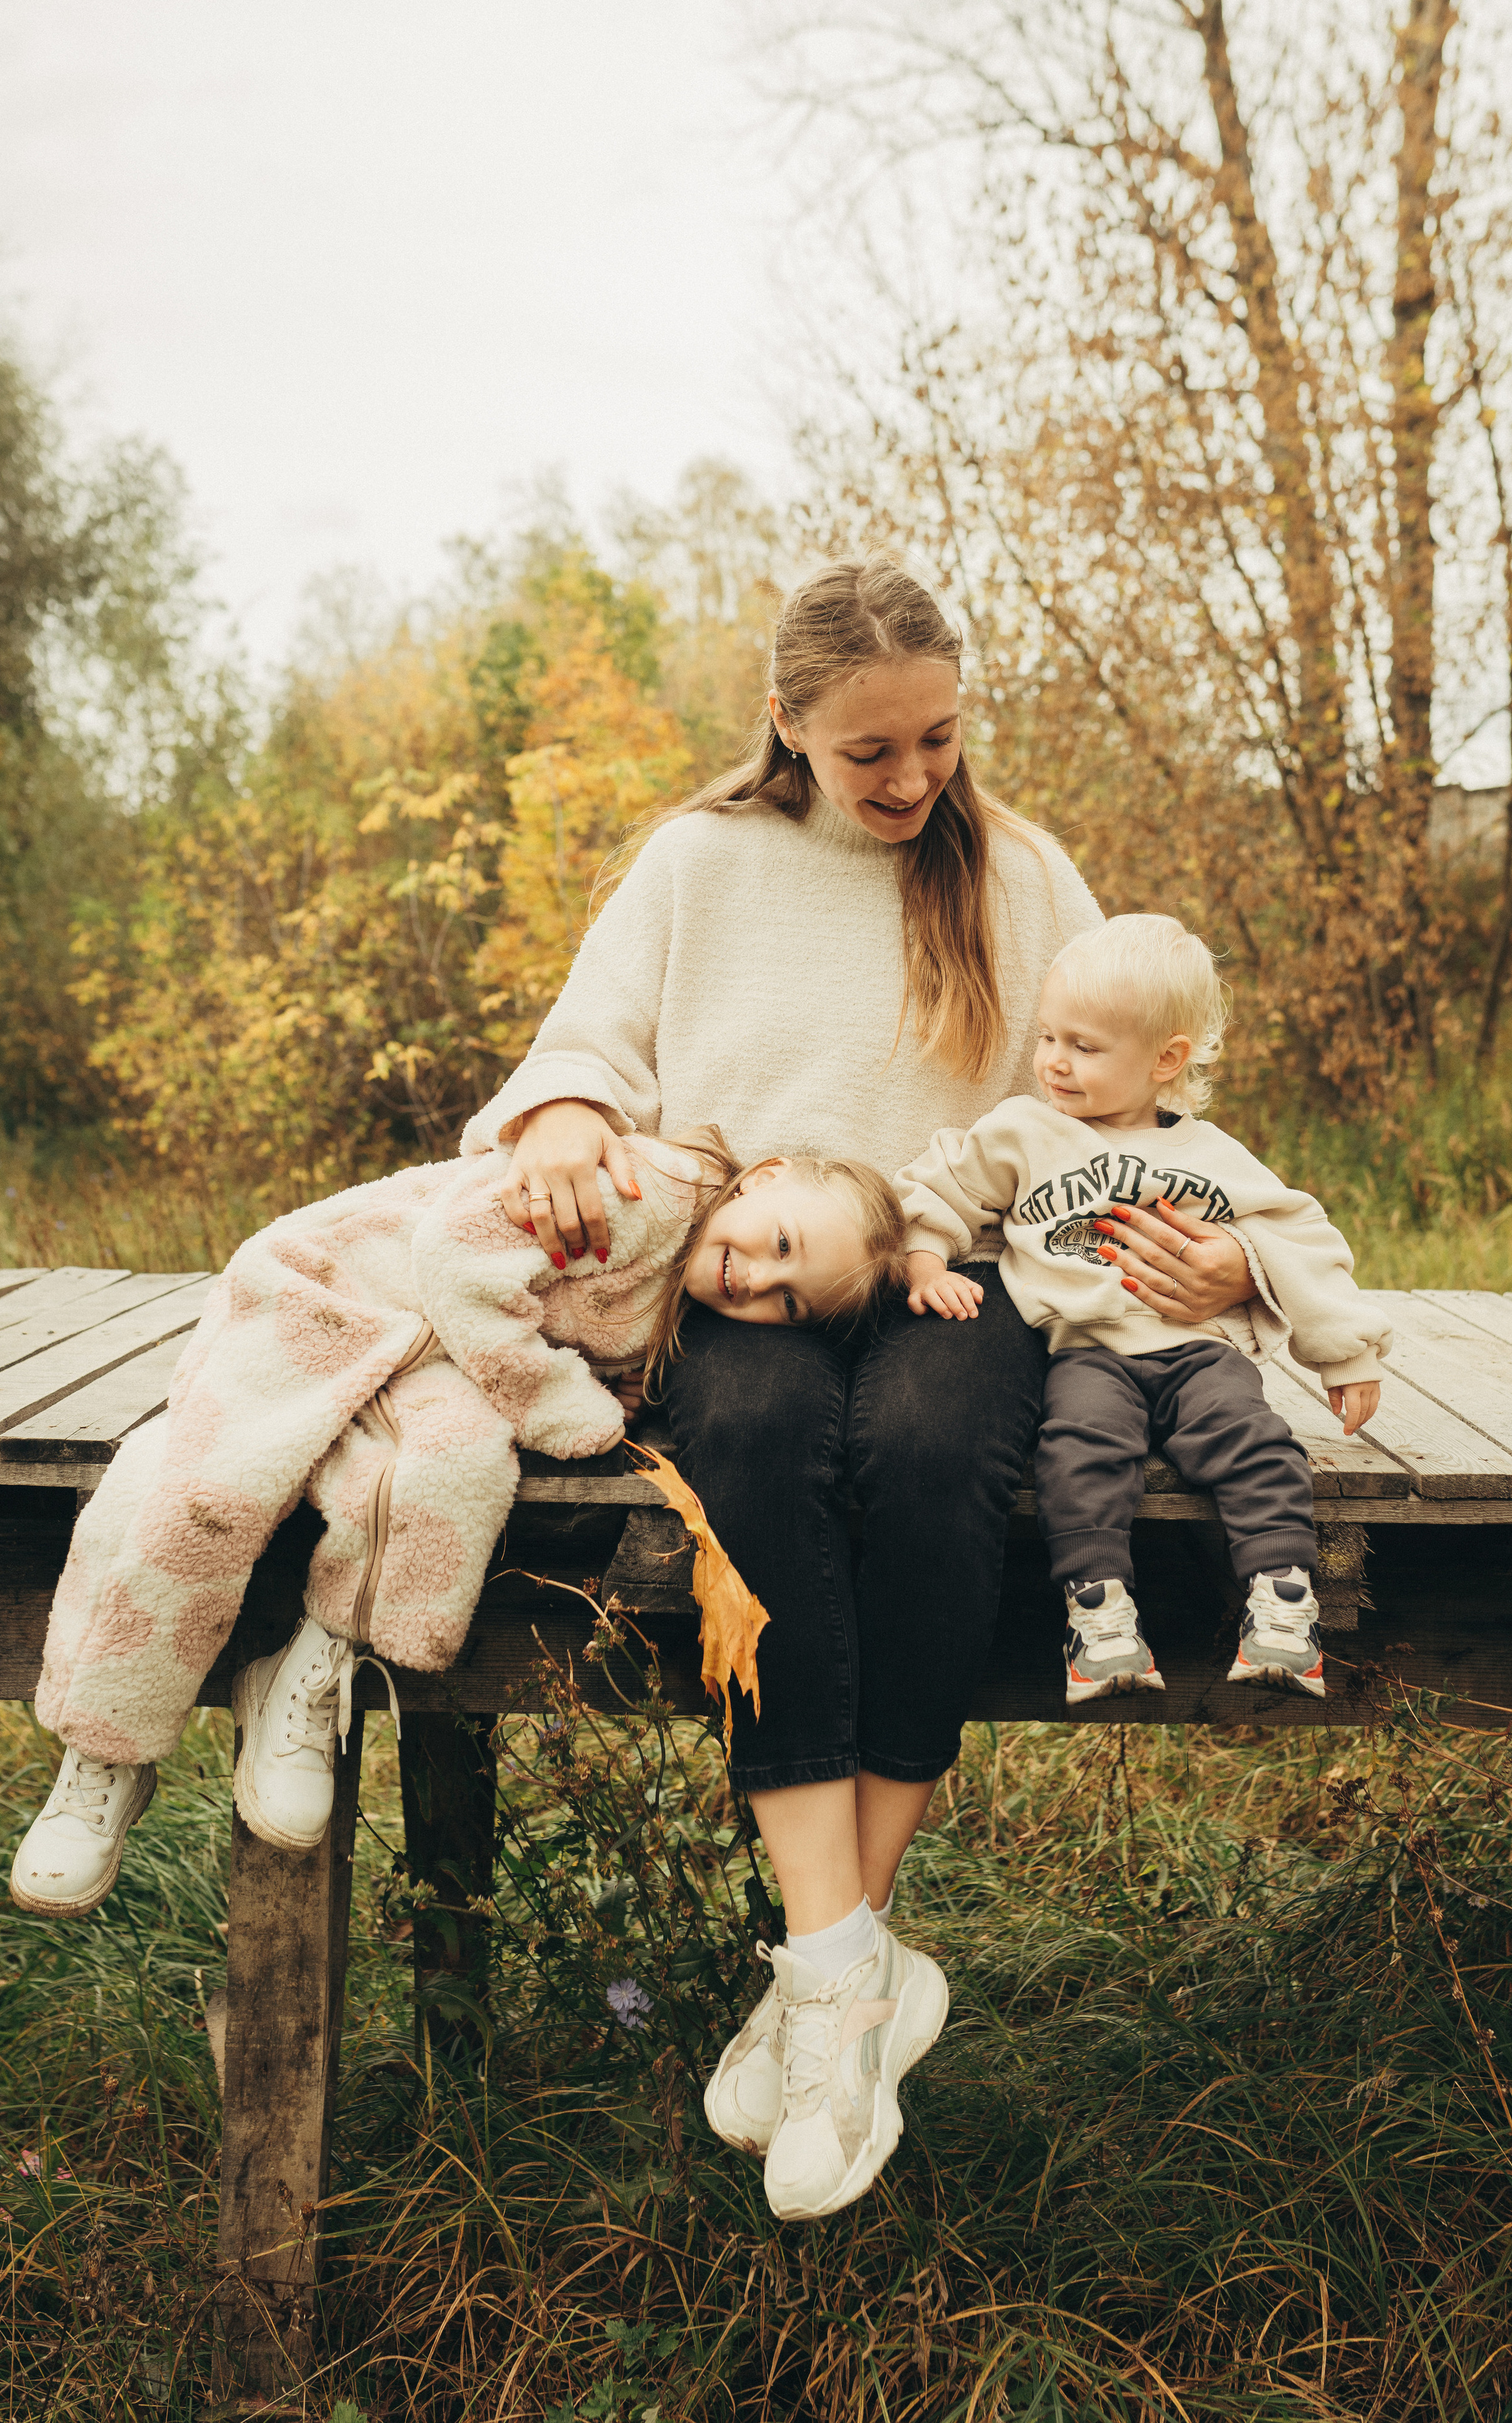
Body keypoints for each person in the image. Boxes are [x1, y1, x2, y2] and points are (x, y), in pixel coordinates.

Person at [472, 557, 1262, 2222]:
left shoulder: (1024, 873)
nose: (911, 781)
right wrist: (555, 1132)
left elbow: (1131, 1081)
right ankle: (850, 1968)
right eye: (869, 753)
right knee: (755, 1442)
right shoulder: (701, 860)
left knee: (925, 1448)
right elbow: (581, 1054)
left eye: (938, 741)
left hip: (952, 1259)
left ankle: (828, 1972)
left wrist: (1211, 1247)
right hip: (749, 1247)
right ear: (789, 727)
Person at [11, 1135, 902, 1920]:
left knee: (457, 1474)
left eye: (789, 1303)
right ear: (765, 1176)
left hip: (430, 1356)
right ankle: (107, 1744)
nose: (761, 1279)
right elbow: (459, 1257)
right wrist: (560, 1402)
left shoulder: (693, 1282)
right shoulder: (655, 1191)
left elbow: (571, 1320)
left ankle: (316, 1660)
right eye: (781, 1245)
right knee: (217, 1481)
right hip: (334, 1291)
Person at [896, 913, 1390, 1704]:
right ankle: (1100, 1621)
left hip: (1200, 1353)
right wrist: (922, 1257)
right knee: (1079, 1451)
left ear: (1166, 1059)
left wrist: (1344, 1350)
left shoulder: (1210, 1155)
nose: (1054, 1063)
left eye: (1084, 1048)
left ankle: (1283, 1604)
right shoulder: (1025, 1131)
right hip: (1086, 1354)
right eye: (1049, 1038)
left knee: (1254, 1441)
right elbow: (938, 1184)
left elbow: (1299, 1235)